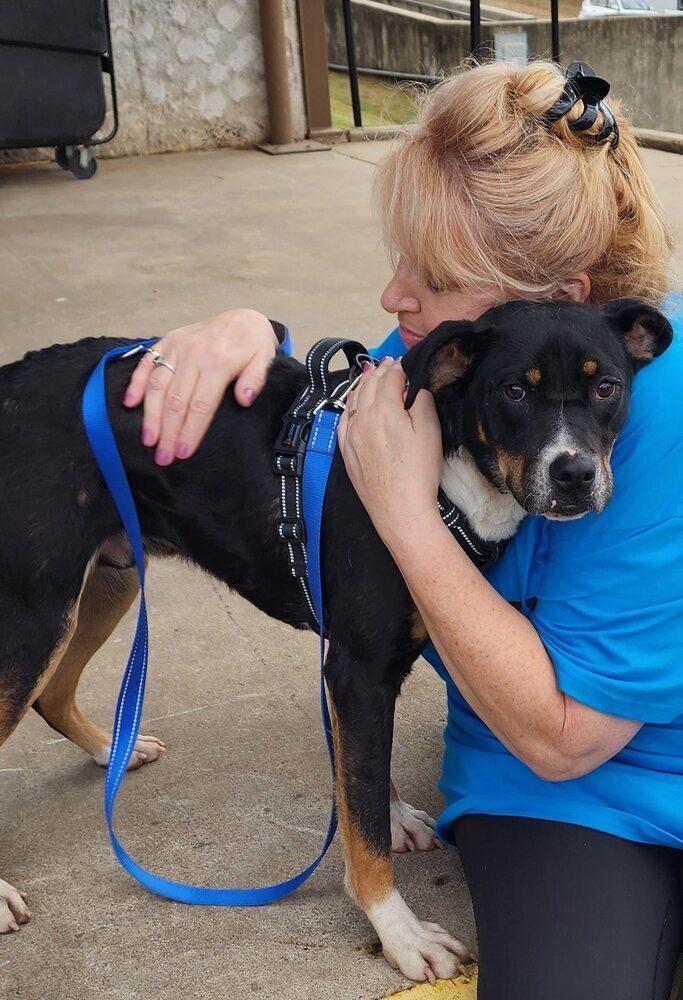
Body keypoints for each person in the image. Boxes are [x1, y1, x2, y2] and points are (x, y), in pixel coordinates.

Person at [123, 61, 682, 999]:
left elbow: (568, 732)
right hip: (548, 782)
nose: (393, 297)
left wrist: (404, 515)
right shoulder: (455, 356)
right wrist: (251, 333)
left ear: (558, 299)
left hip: (599, 739)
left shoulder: (652, 403)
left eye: (433, 275)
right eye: (400, 259)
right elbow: (339, 405)